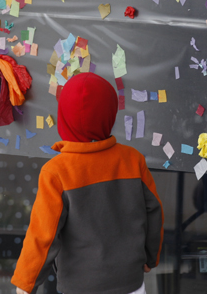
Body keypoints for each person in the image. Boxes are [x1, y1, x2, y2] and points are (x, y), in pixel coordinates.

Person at [11, 72, 164, 294]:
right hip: (131, 282)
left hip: (80, 286)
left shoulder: (56, 172)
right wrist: (151, 257)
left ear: (63, 116)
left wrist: (25, 283)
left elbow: (43, 235)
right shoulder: (132, 159)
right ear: (110, 114)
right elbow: (153, 212)